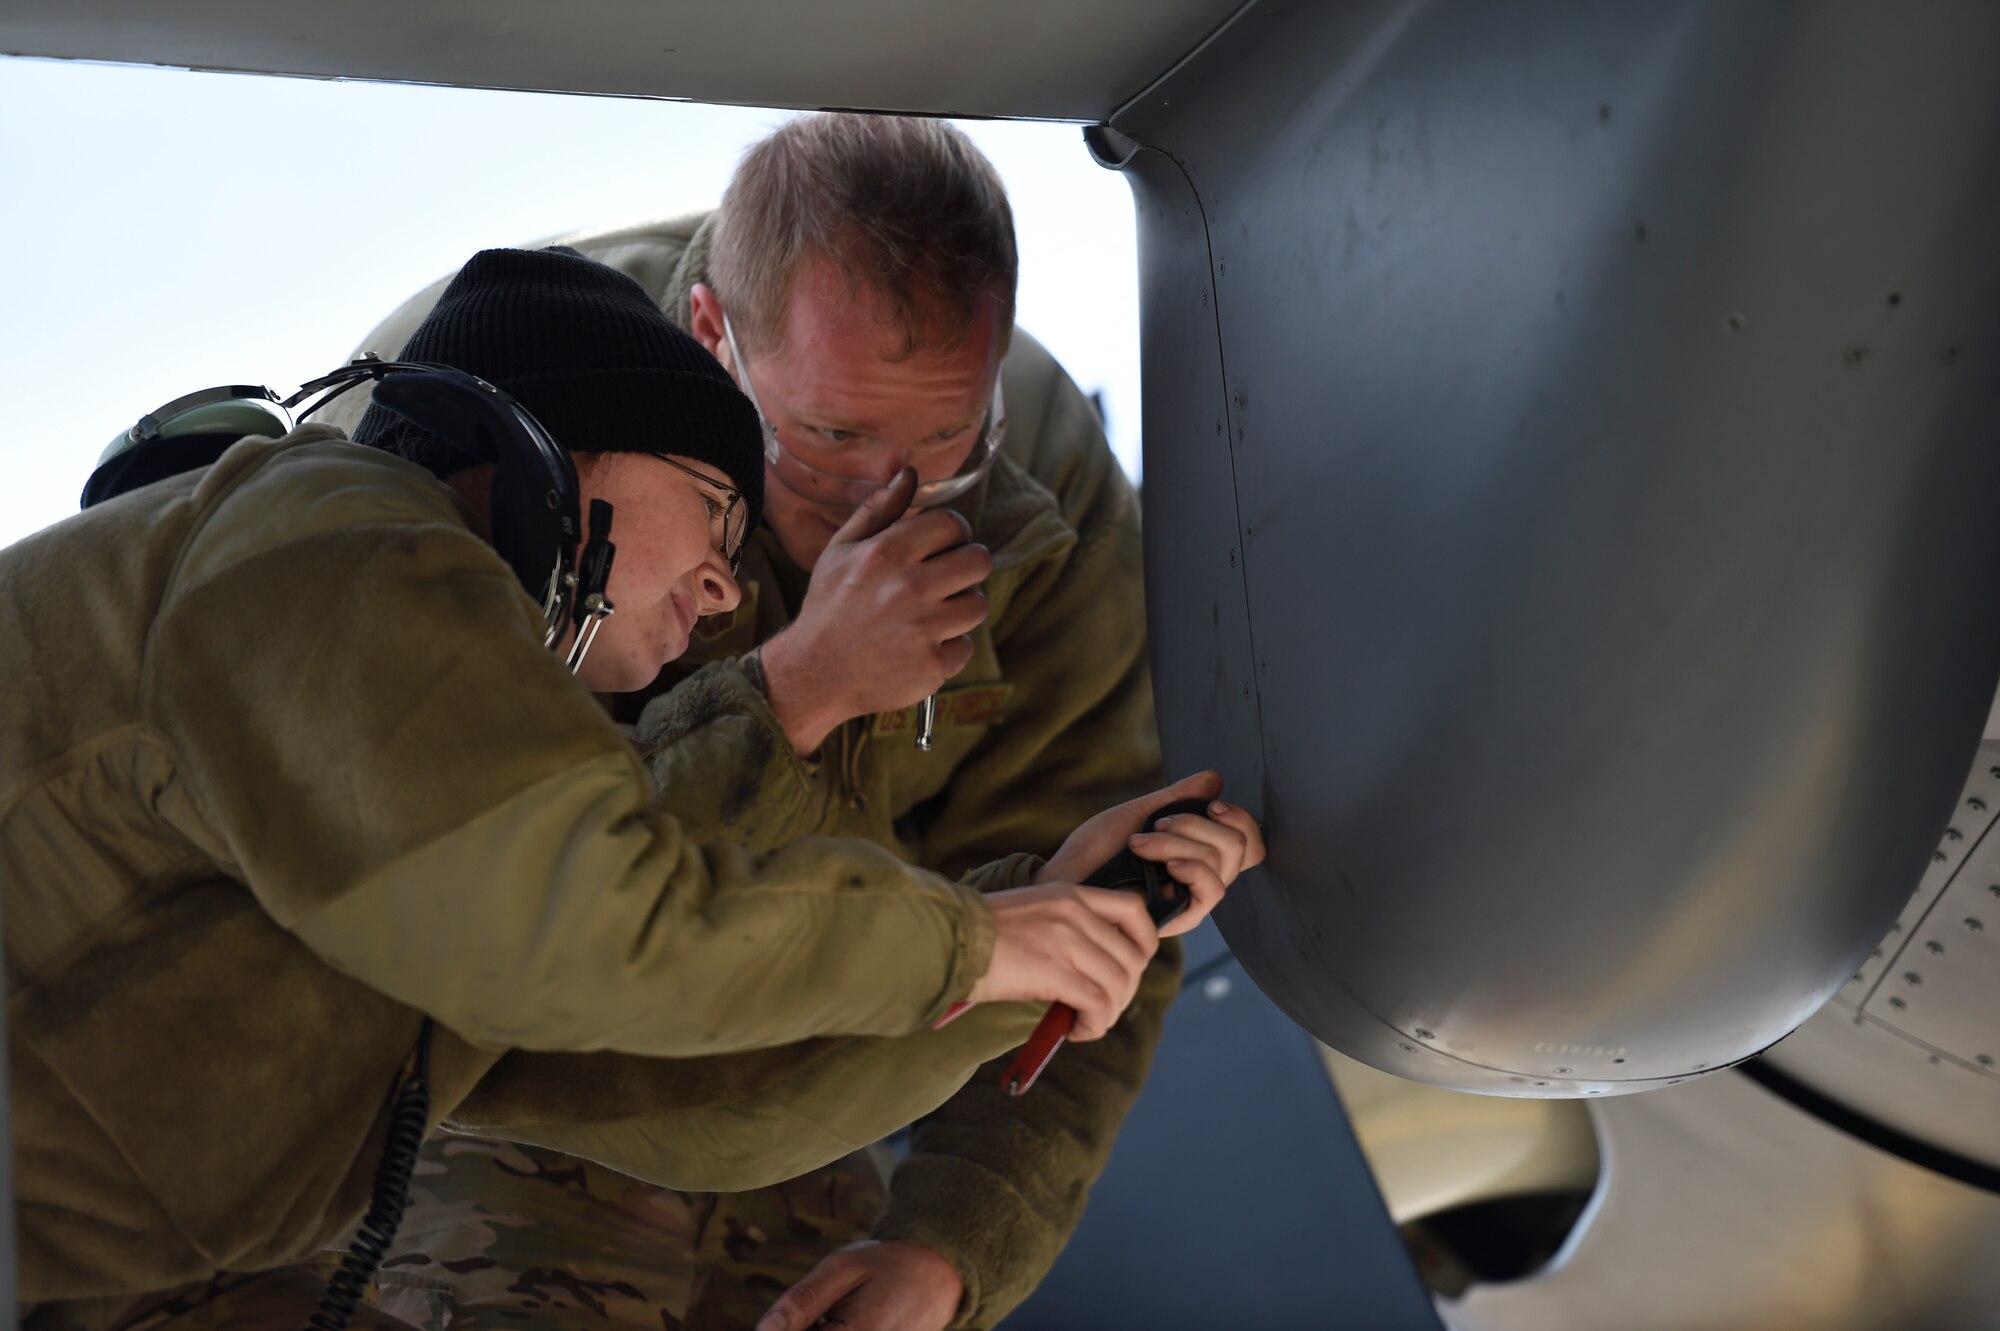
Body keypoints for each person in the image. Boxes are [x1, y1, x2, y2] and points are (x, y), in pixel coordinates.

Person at [3, 245, 1263, 1331]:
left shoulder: (434, 824)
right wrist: (969, 940)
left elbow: (678, 1082)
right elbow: (600, 927)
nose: (725, 588)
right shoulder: (337, 531)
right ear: (558, 442)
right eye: (715, 518)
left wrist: (1038, 934)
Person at [315, 114, 1202, 1329]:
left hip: (806, 1107)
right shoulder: (498, 397)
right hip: (493, 1098)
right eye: (830, 437)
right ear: (710, 335)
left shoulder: (1044, 471)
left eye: (946, 438)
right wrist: (803, 686)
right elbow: (468, 894)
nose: (888, 495)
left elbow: (1090, 921)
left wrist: (949, 1242)